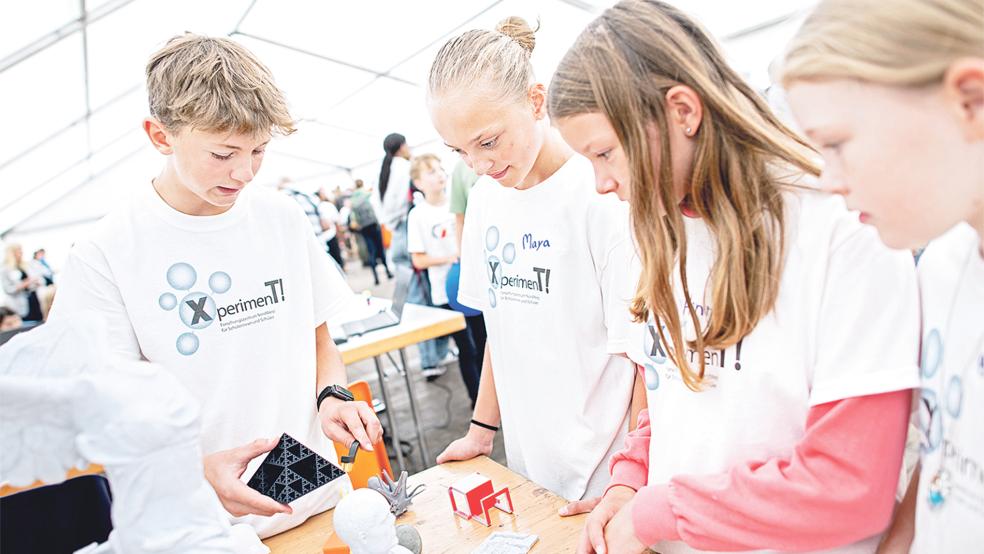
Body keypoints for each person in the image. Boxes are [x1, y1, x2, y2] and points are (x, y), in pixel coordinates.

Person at [549, 1, 921, 552]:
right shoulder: (660, 223)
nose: (602, 183)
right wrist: (630, 478)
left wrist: (660, 511)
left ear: (682, 112)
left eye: (606, 152)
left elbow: (849, 485)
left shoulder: (843, 226)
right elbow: (680, 389)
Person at [48, 34, 382, 539]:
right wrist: (194, 468)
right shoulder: (106, 252)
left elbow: (317, 339)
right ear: (160, 136)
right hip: (198, 527)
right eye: (224, 153)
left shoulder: (282, 218)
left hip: (315, 505)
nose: (245, 172)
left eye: (259, 150)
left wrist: (331, 396)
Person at [780, 1, 984, 551]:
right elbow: (945, 458)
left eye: (837, 143)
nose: (828, 181)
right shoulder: (942, 267)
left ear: (970, 100)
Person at [428, 16, 643, 505]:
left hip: (603, 476)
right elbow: (500, 335)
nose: (479, 164)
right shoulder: (485, 198)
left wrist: (628, 482)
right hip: (528, 469)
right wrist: (483, 430)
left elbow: (640, 358)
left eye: (488, 141)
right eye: (459, 151)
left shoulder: (600, 194)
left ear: (536, 101)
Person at [407, 153, 483, 405]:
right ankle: (476, 399)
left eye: (440, 169)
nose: (439, 174)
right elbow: (418, 260)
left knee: (484, 343)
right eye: (431, 172)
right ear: (418, 182)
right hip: (446, 291)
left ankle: (491, 400)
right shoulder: (418, 215)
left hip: (474, 284)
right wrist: (451, 257)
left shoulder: (459, 201)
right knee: (467, 348)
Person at [447, 158, 488, 358]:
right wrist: (465, 258)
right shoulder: (460, 170)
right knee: (483, 337)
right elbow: (460, 219)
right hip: (481, 267)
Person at [350, 179, 392, 285]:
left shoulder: (353, 200)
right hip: (374, 225)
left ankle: (376, 278)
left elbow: (353, 219)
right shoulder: (367, 194)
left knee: (371, 252)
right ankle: (387, 272)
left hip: (364, 228)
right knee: (380, 249)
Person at [2, 243, 44, 322]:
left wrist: (35, 282)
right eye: (19, 251)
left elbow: (35, 278)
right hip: (19, 303)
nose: (21, 253)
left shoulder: (25, 265)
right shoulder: (5, 269)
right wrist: (25, 283)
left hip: (33, 298)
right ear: (12, 253)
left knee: (38, 321)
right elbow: (8, 289)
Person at [317, 187, 345, 268]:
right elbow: (337, 222)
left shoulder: (317, 205)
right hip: (330, 235)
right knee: (337, 260)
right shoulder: (327, 205)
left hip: (323, 238)